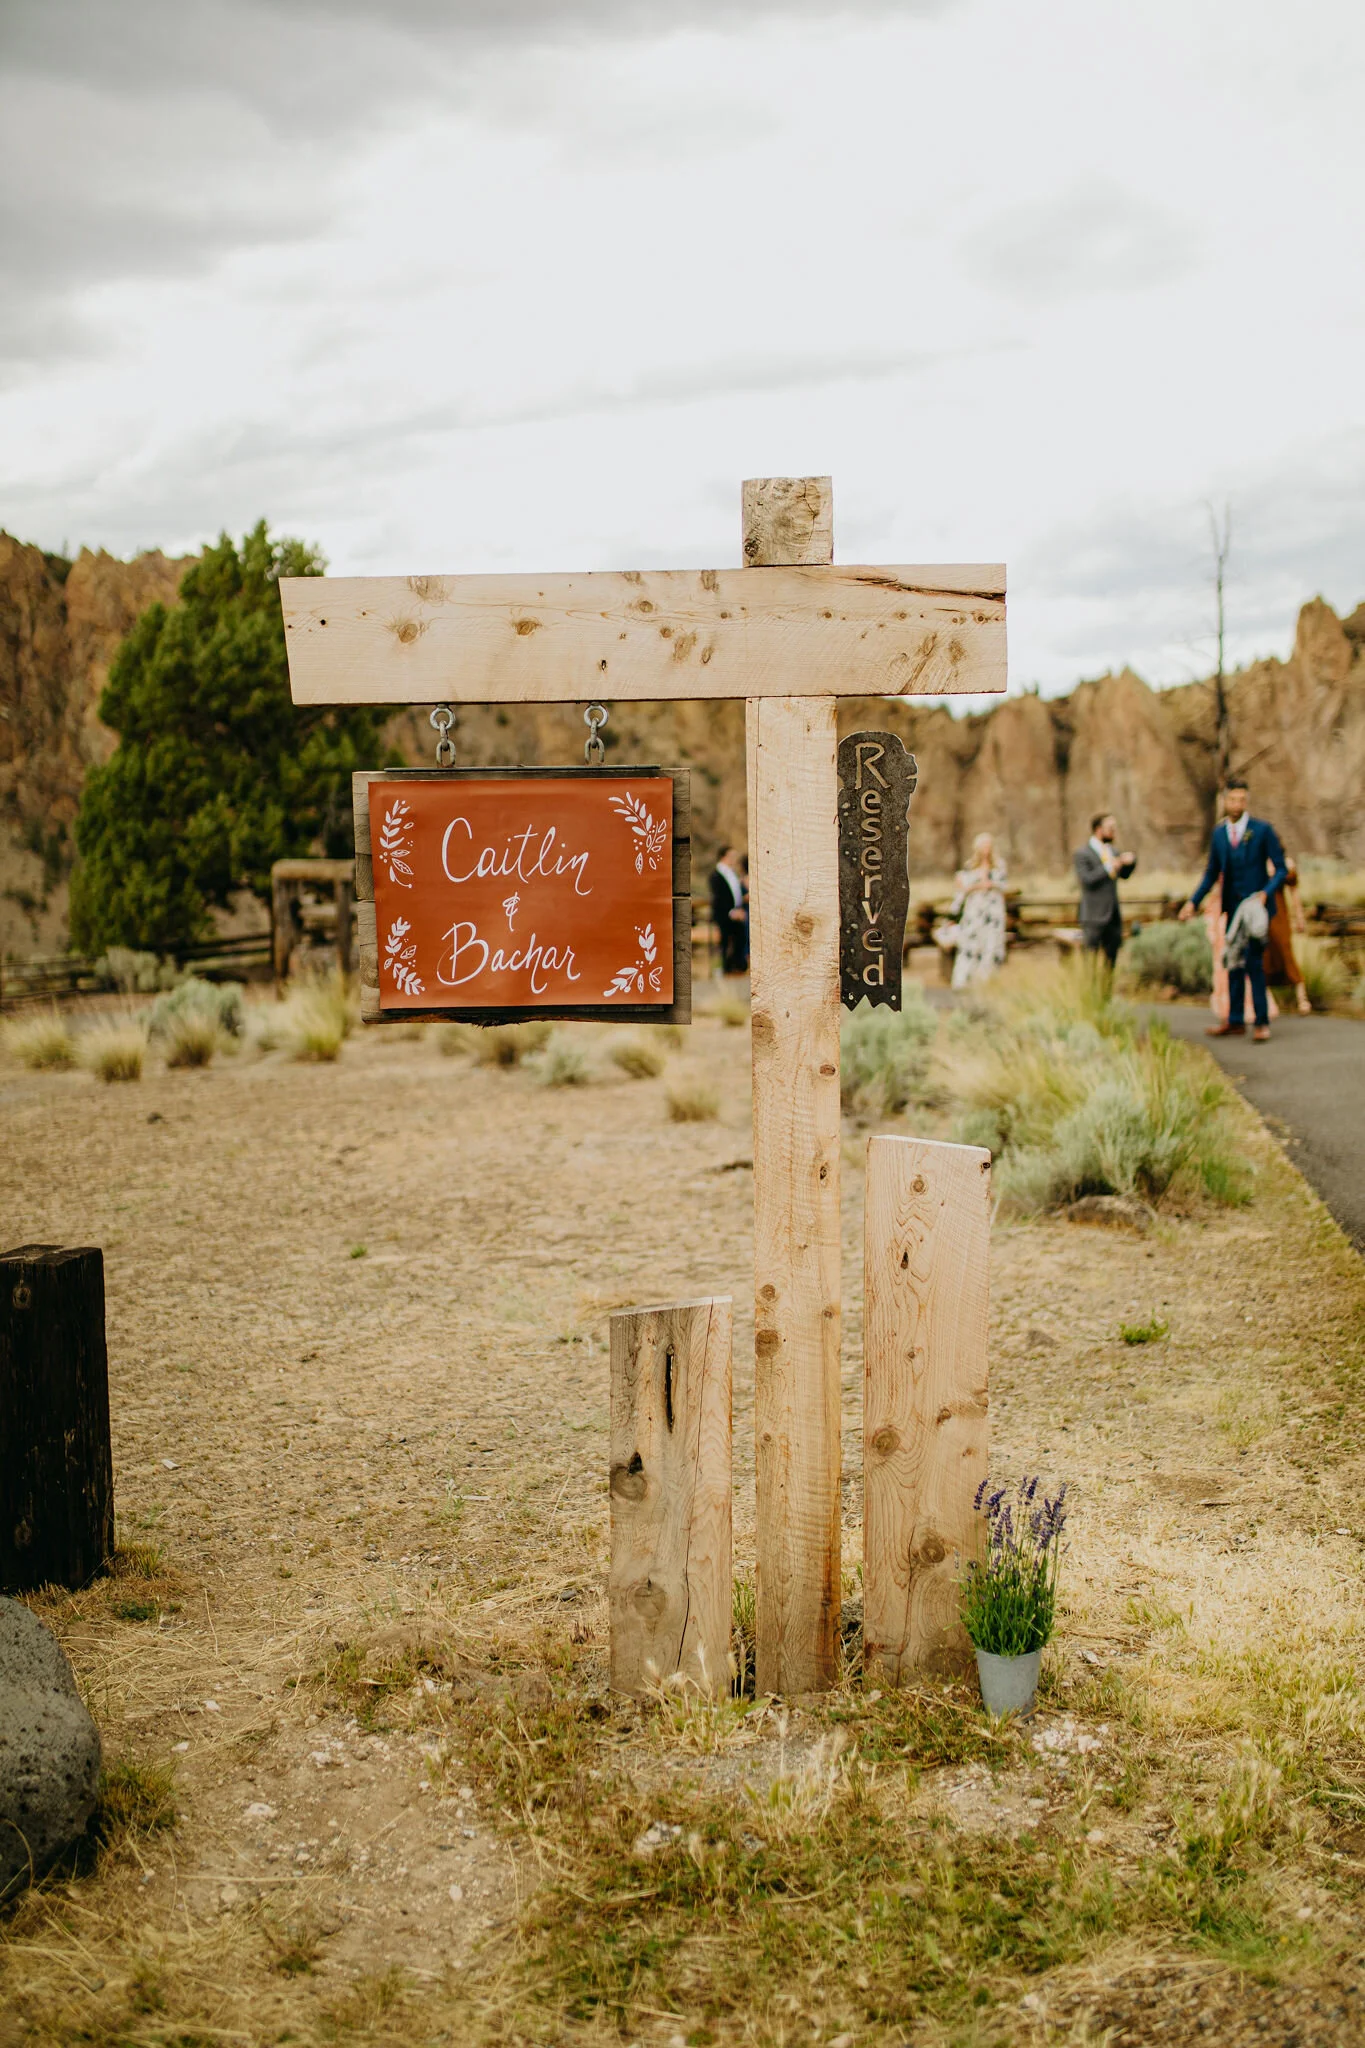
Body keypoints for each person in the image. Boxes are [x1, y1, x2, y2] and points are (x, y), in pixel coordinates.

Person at [1179, 777, 1287, 1042]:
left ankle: (1261, 1022)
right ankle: (1235, 1020)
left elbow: (1280, 869)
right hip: (1231, 909)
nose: (1237, 804)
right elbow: (1211, 873)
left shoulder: (1262, 830)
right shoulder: (1219, 834)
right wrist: (1193, 902)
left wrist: (1265, 893)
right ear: (1224, 801)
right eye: (1233, 799)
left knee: (1254, 963)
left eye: (1242, 799)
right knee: (1233, 962)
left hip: (1256, 911)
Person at [1073, 812, 1137, 968]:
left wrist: (1130, 862)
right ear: (1098, 829)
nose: (1114, 831)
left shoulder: (1113, 852)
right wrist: (1109, 866)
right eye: (1110, 828)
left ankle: (1108, 985)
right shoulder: (1082, 853)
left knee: (1111, 962)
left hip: (1113, 916)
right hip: (1093, 916)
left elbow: (1124, 876)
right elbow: (1087, 880)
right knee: (1090, 962)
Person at [950, 832, 1008, 989]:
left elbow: (1003, 884)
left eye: (988, 845)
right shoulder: (970, 866)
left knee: (991, 943)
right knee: (972, 943)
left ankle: (987, 981)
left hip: (993, 910)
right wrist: (978, 885)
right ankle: (966, 980)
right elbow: (962, 887)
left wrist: (990, 884)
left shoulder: (999, 865)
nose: (986, 849)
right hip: (975, 910)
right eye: (983, 846)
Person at [1263, 853, 1312, 1016]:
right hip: (1261, 915)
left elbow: (1294, 892)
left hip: (1279, 915)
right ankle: (1269, 1003)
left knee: (1285, 951)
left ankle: (1302, 998)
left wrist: (1299, 916)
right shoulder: (1256, 860)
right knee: (1264, 956)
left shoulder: (1285, 863)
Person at [710, 845, 748, 976]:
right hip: (725, 914)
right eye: (731, 856)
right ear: (724, 857)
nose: (734, 859)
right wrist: (731, 912)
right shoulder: (716, 875)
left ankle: (737, 967)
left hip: (737, 912)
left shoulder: (732, 873)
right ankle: (726, 969)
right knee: (726, 942)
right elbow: (719, 898)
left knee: (740, 940)